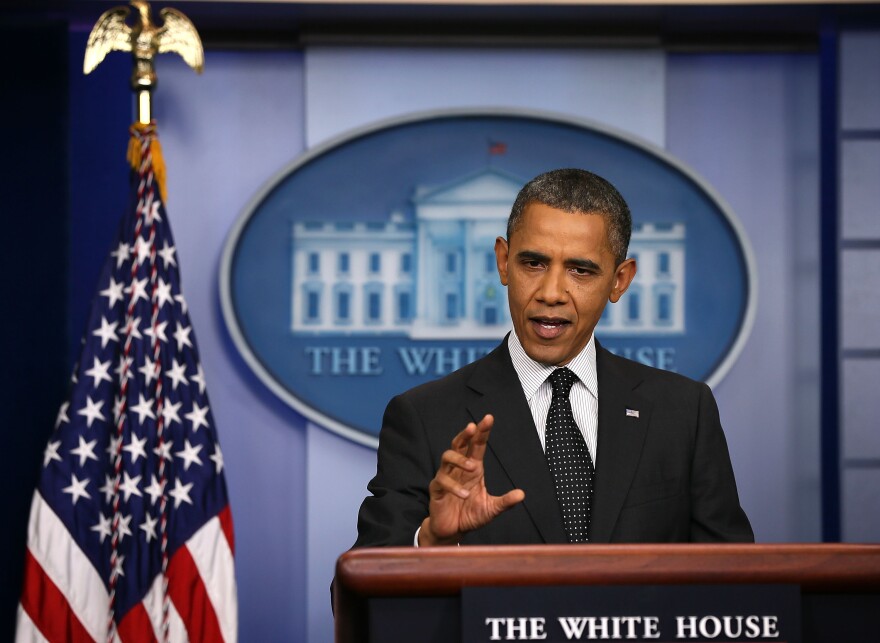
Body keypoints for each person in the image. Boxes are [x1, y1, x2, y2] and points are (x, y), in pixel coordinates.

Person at [353, 168, 753, 547]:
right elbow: (358, 595)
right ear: (503, 262)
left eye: (580, 270)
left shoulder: (683, 413)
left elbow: (736, 590)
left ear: (619, 281)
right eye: (534, 263)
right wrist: (431, 542)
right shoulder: (424, 418)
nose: (551, 292)